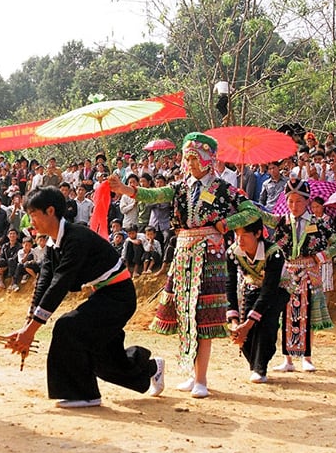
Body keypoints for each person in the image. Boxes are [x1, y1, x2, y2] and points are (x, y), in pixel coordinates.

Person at [109, 132, 258, 398]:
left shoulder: (224, 188)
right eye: (186, 158)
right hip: (184, 253)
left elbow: (252, 211)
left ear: (207, 160)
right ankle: (191, 373)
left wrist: (227, 224)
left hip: (210, 255)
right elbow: (154, 194)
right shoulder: (181, 187)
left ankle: (201, 378)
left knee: (203, 316)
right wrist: (124, 190)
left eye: (193, 158)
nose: (188, 163)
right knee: (185, 314)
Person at [5, 186, 165, 408]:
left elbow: (60, 284)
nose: (30, 222)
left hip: (118, 298)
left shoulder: (76, 238)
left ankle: (82, 394)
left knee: (67, 327)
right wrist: (27, 324)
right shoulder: (53, 244)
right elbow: (45, 282)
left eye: (33, 215)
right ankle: (150, 368)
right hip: (104, 296)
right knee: (100, 357)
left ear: (50, 211)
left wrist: (31, 331)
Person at [272, 179, 336, 372]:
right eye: (290, 201)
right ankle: (287, 359)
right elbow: (263, 217)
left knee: (309, 315)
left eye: (298, 201)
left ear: (307, 202)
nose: (294, 206)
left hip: (310, 272)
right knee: (285, 315)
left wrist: (320, 256)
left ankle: (307, 357)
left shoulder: (318, 223)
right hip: (288, 273)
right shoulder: (282, 221)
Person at [226, 209, 289, 384]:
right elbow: (230, 285)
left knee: (266, 322)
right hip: (252, 286)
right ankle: (254, 365)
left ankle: (260, 367)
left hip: (279, 289)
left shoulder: (274, 253)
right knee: (246, 326)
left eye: (244, 235)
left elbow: (269, 290)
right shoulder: (232, 252)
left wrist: (248, 323)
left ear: (258, 233)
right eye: (236, 235)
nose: (239, 240)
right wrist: (235, 322)